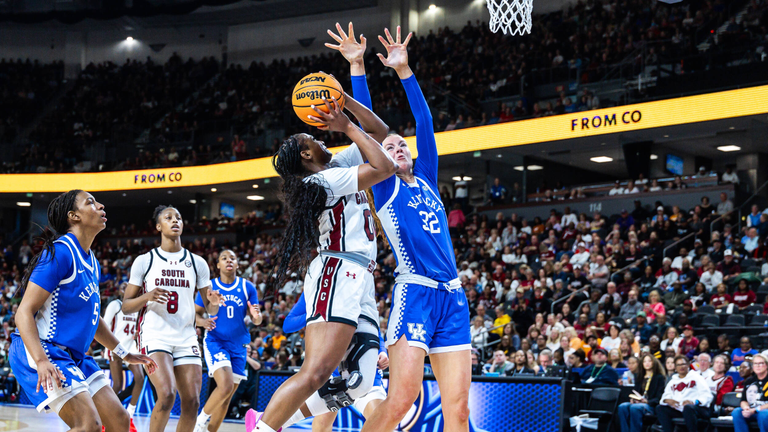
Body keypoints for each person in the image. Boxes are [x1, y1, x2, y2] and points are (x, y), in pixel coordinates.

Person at [245, 24, 397, 432]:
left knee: (362, 379)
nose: (316, 132)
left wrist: (342, 98)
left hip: (360, 275)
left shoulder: (338, 166)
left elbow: (380, 136)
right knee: (316, 372)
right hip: (337, 270)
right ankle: (264, 428)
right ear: (306, 153)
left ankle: (278, 418)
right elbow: (384, 166)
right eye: (308, 135)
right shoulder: (319, 181)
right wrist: (346, 126)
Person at [342, 26, 472, 432]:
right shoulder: (385, 185)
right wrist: (358, 67)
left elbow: (425, 120)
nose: (397, 147)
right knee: (401, 400)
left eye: (402, 145)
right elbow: (366, 135)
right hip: (415, 291)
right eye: (391, 146)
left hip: (452, 296)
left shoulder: (428, 178)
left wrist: (404, 71)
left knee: (459, 411)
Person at [9, 190, 156, 432]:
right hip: (45, 348)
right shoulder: (60, 253)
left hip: (74, 356)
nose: (100, 206)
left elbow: (93, 320)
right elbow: (23, 311)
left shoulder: (92, 262)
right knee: (88, 425)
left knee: (118, 420)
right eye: (91, 202)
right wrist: (41, 360)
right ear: (73, 216)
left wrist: (124, 352)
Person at [123, 205, 224, 432]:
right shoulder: (145, 261)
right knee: (167, 395)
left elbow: (209, 308)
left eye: (178, 217)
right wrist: (147, 296)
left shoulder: (197, 262)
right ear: (159, 226)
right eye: (168, 218)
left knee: (192, 402)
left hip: (186, 335)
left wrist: (214, 304)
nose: (175, 220)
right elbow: (126, 307)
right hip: (155, 334)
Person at [277, 291, 390, 432]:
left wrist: (382, 351)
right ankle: (266, 422)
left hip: (363, 362)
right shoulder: (312, 288)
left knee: (380, 422)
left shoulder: (357, 280)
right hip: (330, 365)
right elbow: (288, 325)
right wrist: (316, 312)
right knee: (322, 423)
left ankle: (266, 422)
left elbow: (372, 324)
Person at [194, 250, 262, 432]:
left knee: (226, 399)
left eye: (232, 258)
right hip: (216, 341)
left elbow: (257, 319)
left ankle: (211, 430)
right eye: (224, 258)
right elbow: (195, 315)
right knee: (224, 387)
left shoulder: (248, 287)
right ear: (218, 265)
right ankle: (199, 423)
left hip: (239, 345)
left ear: (238, 264)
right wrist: (203, 322)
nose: (228, 260)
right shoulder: (209, 287)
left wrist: (257, 317)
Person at [103, 282, 145, 421]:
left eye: (127, 286)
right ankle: (106, 412)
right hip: (115, 346)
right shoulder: (115, 305)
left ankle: (130, 413)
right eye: (121, 286)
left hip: (131, 347)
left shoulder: (138, 308)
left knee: (139, 378)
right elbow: (105, 325)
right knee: (117, 384)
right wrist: (106, 346)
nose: (124, 287)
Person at [656, 356, 713, 432]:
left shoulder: (697, 377)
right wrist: (667, 400)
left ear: (688, 365)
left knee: (688, 408)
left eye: (683, 364)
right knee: (660, 408)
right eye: (678, 365)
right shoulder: (673, 381)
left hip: (697, 408)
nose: (681, 367)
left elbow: (707, 395)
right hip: (680, 409)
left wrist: (695, 402)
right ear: (675, 367)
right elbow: (665, 396)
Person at [617, 353, 667, 432]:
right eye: (644, 361)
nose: (647, 363)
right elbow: (636, 392)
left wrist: (647, 401)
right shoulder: (639, 377)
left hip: (650, 405)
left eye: (649, 361)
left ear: (653, 363)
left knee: (635, 408)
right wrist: (633, 399)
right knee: (622, 406)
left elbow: (659, 397)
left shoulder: (659, 377)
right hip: (639, 402)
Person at [732, 354, 768, 432]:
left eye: (761, 363)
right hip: (752, 411)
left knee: (764, 414)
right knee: (737, 412)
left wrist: (755, 410)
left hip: (764, 411)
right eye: (755, 363)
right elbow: (743, 400)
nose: (758, 366)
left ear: (766, 365)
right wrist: (746, 408)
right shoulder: (749, 381)